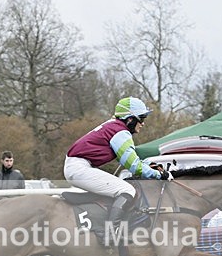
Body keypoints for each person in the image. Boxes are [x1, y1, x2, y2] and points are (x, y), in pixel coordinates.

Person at [64, 97, 165, 234]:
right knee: (128, 190)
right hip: (79, 168)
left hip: (78, 166)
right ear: (130, 119)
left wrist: (150, 165)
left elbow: (132, 158)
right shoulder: (120, 132)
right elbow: (134, 166)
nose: (142, 123)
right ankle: (110, 233)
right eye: (141, 118)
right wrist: (158, 175)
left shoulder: (114, 126)